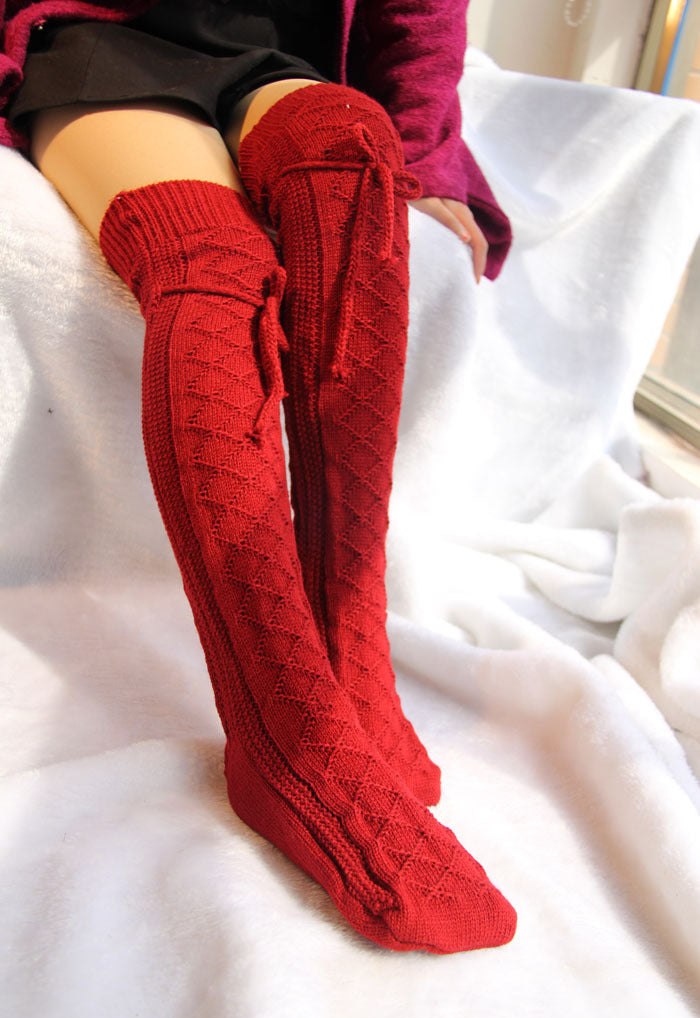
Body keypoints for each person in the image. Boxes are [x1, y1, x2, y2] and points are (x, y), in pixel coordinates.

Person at [0, 0, 516, 954]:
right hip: (102, 45)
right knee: (211, 266)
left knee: (350, 156)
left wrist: (425, 156)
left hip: (278, 52)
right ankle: (288, 737)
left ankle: (348, 652)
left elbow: (421, 14)